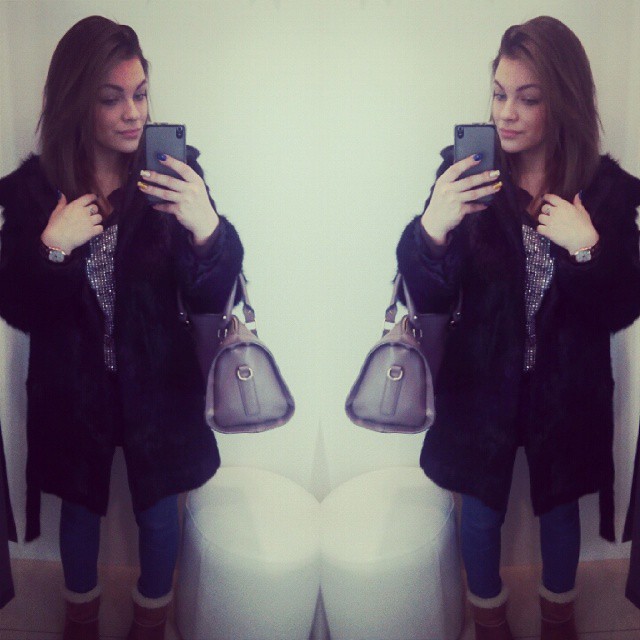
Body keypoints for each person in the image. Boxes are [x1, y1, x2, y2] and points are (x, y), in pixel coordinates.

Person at [396, 16, 640, 640]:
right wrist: (432, 230)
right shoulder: (466, 175)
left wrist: (586, 247)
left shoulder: (605, 191)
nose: (506, 113)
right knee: (479, 513)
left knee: (559, 510)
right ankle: (490, 621)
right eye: (500, 93)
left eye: (528, 98)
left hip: (567, 388)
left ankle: (559, 618)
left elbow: (622, 307)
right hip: (480, 384)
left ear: (564, 101)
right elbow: (428, 294)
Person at [0, 16, 243, 640]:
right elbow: (18, 307)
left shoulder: (173, 175)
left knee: (159, 514)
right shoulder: (34, 191)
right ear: (76, 102)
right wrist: (53, 247)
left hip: (160, 385)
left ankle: (149, 622)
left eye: (140, 94)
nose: (133, 113)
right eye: (111, 98)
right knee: (80, 512)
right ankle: (80, 617)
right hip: (72, 388)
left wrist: (207, 230)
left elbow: (212, 294)